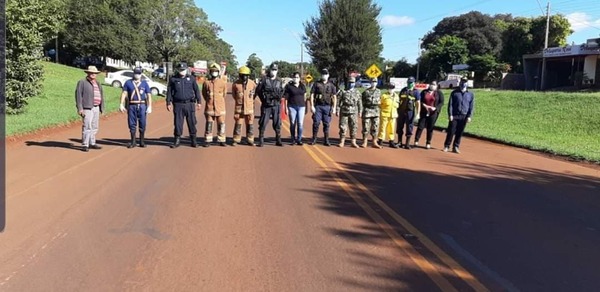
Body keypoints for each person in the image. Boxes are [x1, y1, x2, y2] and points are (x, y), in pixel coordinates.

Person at [166, 62, 202, 148]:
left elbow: (196, 90)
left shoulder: (192, 78)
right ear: (177, 70)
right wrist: (168, 102)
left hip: (190, 104)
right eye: (180, 70)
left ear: (186, 70)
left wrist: (199, 102)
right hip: (178, 104)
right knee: (178, 123)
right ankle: (177, 140)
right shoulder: (173, 79)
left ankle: (193, 141)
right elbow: (169, 92)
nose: (182, 71)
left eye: (183, 70)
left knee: (192, 122)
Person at [119, 67, 152, 148]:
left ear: (141, 74)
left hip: (142, 105)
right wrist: (121, 104)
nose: (137, 75)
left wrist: (150, 106)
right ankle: (133, 141)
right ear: (133, 73)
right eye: (136, 73)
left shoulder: (144, 83)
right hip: (131, 105)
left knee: (142, 123)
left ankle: (142, 141)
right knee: (131, 123)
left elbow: (148, 95)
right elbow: (124, 93)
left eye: (139, 73)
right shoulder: (128, 82)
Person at [75, 65, 105, 152]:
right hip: (87, 107)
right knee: (87, 125)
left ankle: (92, 142)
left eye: (95, 73)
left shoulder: (98, 83)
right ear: (88, 73)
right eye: (91, 73)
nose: (93, 74)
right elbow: (78, 96)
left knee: (95, 126)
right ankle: (85, 144)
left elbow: (101, 95)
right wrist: (80, 108)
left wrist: (102, 107)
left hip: (96, 107)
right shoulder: (82, 82)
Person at [254, 63, 284, 147]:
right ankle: (261, 140)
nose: (274, 71)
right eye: (272, 69)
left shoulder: (279, 80)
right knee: (263, 122)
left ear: (277, 71)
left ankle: (278, 139)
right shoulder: (264, 79)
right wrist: (263, 100)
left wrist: (279, 97)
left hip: (276, 105)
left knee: (277, 123)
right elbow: (258, 90)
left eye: (275, 70)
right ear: (269, 70)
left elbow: (282, 91)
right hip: (266, 105)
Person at [444, 77, 474, 154]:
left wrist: (469, 116)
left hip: (464, 115)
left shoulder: (470, 94)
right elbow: (450, 105)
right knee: (451, 131)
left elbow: (471, 106)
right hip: (454, 115)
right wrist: (450, 114)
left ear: (467, 83)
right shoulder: (454, 93)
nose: (463, 83)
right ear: (460, 82)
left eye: (465, 82)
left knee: (460, 132)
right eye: (462, 81)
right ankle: (447, 146)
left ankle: (456, 146)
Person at [202, 62, 228, 147]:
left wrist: (218, 100)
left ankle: (221, 140)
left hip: (220, 107)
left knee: (221, 124)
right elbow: (204, 94)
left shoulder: (222, 82)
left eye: (216, 71)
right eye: (212, 71)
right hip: (210, 107)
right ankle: (208, 140)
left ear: (218, 72)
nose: (214, 72)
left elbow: (224, 94)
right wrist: (209, 100)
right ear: (210, 72)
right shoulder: (206, 83)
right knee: (209, 124)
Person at [309, 69, 337, 146]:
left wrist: (334, 108)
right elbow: (311, 95)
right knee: (316, 123)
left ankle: (326, 140)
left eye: (326, 74)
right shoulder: (316, 84)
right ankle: (314, 139)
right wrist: (312, 106)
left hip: (327, 107)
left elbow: (334, 96)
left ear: (328, 75)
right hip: (318, 106)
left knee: (326, 124)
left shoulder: (331, 85)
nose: (324, 75)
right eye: (323, 74)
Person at [231, 65, 257, 146]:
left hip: (249, 108)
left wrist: (250, 101)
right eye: (243, 75)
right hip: (239, 108)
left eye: (246, 75)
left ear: (248, 75)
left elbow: (255, 94)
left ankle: (250, 140)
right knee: (238, 124)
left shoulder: (252, 83)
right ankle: (236, 140)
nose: (244, 77)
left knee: (250, 124)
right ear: (240, 75)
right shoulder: (236, 84)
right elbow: (234, 95)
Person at [414, 80, 444, 149]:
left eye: (434, 84)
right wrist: (424, 105)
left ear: (436, 86)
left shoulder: (439, 93)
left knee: (430, 128)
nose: (432, 85)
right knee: (420, 126)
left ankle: (428, 142)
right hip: (424, 111)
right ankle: (416, 140)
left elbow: (441, 102)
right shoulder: (424, 92)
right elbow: (420, 100)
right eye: (431, 84)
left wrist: (435, 108)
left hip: (433, 113)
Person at [336, 77, 362, 148]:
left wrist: (360, 111)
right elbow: (339, 102)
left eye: (352, 83)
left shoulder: (357, 92)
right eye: (350, 82)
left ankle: (353, 142)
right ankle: (342, 141)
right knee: (343, 127)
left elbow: (360, 103)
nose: (351, 84)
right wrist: (337, 110)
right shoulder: (343, 91)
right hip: (344, 110)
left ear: (355, 83)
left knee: (354, 127)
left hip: (354, 111)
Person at [396, 76, 421, 149]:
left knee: (409, 127)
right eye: (409, 82)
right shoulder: (403, 90)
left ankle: (407, 143)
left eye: (411, 82)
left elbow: (418, 103)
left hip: (410, 112)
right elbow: (398, 101)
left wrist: (418, 113)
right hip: (401, 111)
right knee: (399, 127)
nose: (410, 84)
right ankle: (399, 142)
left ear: (414, 83)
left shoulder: (416, 92)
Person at [283, 71, 307, 145]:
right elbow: (286, 98)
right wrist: (286, 108)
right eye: (294, 77)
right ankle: (293, 139)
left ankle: (299, 139)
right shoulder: (289, 86)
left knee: (300, 123)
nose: (296, 79)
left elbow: (305, 96)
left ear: (299, 78)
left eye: (297, 77)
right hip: (292, 106)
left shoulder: (302, 86)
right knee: (293, 123)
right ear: (292, 78)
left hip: (301, 107)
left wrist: (306, 106)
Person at [361, 77, 382, 148]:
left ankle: (374, 141)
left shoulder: (379, 91)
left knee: (375, 127)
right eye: (372, 81)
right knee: (366, 127)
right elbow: (362, 102)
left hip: (376, 111)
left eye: (375, 82)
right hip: (367, 111)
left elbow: (380, 101)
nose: (374, 83)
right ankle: (365, 141)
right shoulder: (365, 92)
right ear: (370, 82)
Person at [378, 83, 400, 148]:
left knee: (392, 128)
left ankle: (391, 141)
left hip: (393, 115)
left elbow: (397, 105)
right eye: (390, 88)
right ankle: (380, 141)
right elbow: (379, 104)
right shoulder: (384, 96)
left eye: (392, 88)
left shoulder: (396, 96)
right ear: (387, 89)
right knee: (382, 128)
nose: (391, 89)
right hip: (385, 114)